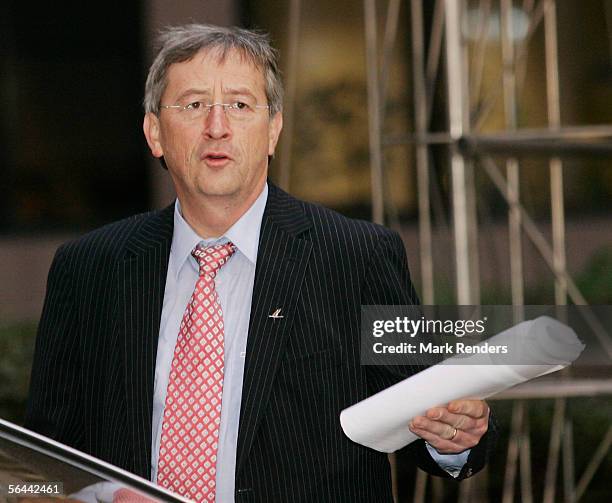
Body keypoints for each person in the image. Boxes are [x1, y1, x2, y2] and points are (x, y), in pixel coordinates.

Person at [26, 24, 495, 503]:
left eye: (240, 104)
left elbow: (430, 416)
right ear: (154, 133)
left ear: (273, 129)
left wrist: (453, 437)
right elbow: (37, 468)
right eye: (192, 105)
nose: (216, 126)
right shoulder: (88, 269)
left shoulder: (359, 255)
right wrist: (99, 496)